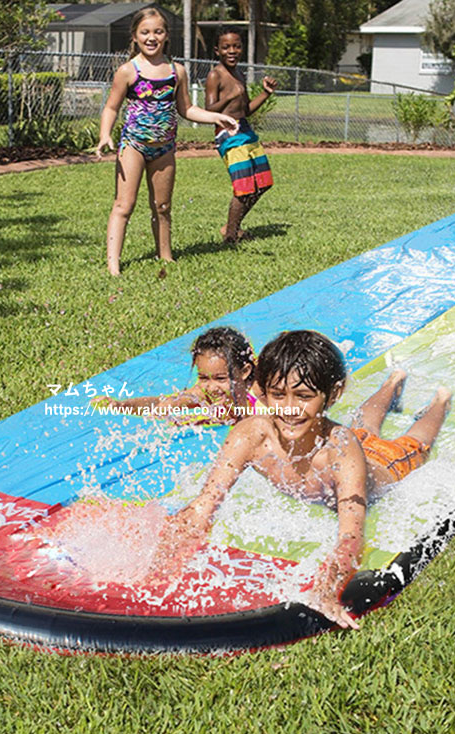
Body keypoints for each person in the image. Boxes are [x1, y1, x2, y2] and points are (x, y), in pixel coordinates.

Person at [148, 330, 452, 630]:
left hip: (382, 465)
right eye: (278, 395)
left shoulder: (341, 453)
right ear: (263, 392)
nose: (290, 409)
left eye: (304, 397)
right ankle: (392, 382)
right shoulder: (252, 435)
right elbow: (203, 507)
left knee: (414, 445)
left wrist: (327, 587)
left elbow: (351, 537)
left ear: (333, 394)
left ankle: (441, 401)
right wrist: (158, 565)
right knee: (364, 424)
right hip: (344, 440)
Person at [96, 8, 238, 277]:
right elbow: (112, 107)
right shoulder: (128, 71)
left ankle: (166, 255)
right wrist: (105, 134)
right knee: (123, 205)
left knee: (162, 207)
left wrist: (217, 117)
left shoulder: (177, 72)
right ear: (135, 36)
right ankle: (113, 264)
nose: (152, 37)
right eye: (145, 32)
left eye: (158, 32)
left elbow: (187, 109)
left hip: (164, 149)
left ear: (166, 36)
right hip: (134, 146)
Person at [98, 326, 258, 425]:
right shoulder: (206, 392)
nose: (211, 387)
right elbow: (164, 402)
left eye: (221, 378)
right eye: (203, 378)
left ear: (244, 372)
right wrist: (121, 405)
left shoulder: (263, 396)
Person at [204, 27, 277, 243]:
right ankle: (231, 236)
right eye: (226, 47)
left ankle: (232, 226)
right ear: (217, 50)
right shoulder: (215, 75)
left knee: (263, 181)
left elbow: (245, 110)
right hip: (227, 132)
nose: (232, 51)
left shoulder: (239, 73)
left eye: (236, 46)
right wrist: (229, 97)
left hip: (244, 128)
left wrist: (265, 93)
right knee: (243, 186)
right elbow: (209, 110)